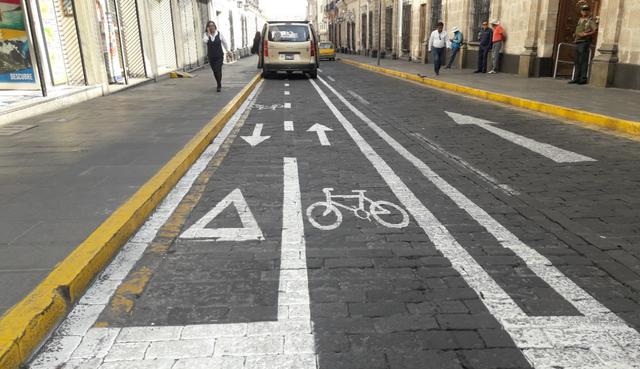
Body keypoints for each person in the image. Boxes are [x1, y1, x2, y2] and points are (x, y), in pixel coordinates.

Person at [569, 4, 597, 85]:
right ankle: (576, 78)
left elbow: (595, 30)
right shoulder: (580, 20)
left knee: (583, 61)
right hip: (577, 41)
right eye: (583, 10)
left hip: (584, 42)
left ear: (588, 11)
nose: (584, 12)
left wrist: (586, 34)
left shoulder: (590, 20)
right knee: (577, 61)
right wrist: (575, 34)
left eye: (585, 10)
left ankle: (583, 78)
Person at [202, 21, 229, 92]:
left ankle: (219, 85)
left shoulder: (219, 34)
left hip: (219, 56)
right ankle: (218, 83)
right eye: (210, 26)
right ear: (208, 27)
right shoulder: (206, 35)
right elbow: (204, 41)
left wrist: (228, 51)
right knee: (215, 71)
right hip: (211, 56)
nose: (212, 27)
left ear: (215, 26)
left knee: (218, 69)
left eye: (213, 25)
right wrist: (208, 34)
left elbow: (224, 42)